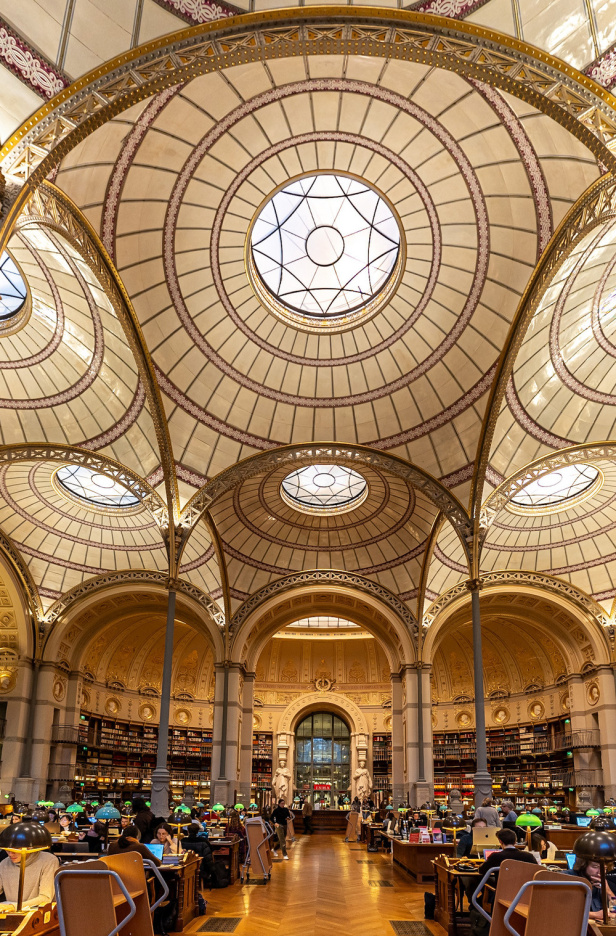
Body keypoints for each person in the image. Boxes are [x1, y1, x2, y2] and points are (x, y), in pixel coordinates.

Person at [473, 827, 538, 887]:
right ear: (515, 841)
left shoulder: (496, 856)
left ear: (500, 841)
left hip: (502, 892)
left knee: (481, 879)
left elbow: (481, 870)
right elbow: (537, 872)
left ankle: (479, 899)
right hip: (524, 892)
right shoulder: (528, 856)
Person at [569, 855, 616, 921]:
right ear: (583, 865)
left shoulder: (603, 882)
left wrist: (608, 891)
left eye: (604, 868)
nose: (600, 872)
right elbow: (561, 911)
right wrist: (594, 914)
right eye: (595, 867)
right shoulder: (568, 878)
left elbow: (614, 908)